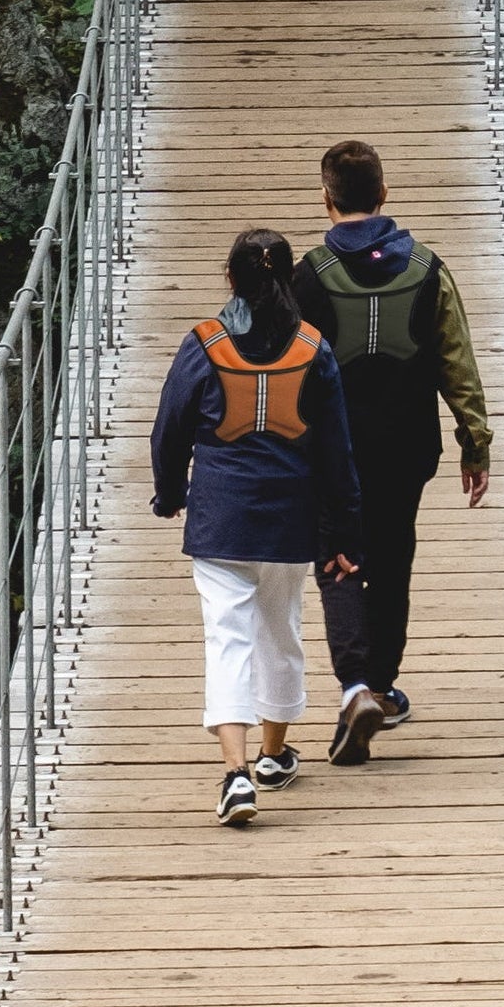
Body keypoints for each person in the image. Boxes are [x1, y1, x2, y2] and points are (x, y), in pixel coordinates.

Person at [150, 228, 362, 825]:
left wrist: (171, 494)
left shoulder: (204, 344)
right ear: (292, 279)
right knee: (281, 631)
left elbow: (169, 428)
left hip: (220, 517)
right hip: (290, 519)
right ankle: (273, 756)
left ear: (230, 280)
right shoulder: (314, 348)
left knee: (228, 638)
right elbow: (336, 452)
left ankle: (236, 775)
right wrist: (344, 534)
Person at [294, 140, 492, 766]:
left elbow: (285, 365)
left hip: (333, 449)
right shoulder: (428, 268)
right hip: (407, 446)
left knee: (341, 555)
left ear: (327, 201)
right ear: (384, 195)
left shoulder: (308, 274)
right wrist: (475, 442)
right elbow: (456, 361)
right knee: (395, 553)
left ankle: (356, 688)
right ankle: (380, 683)